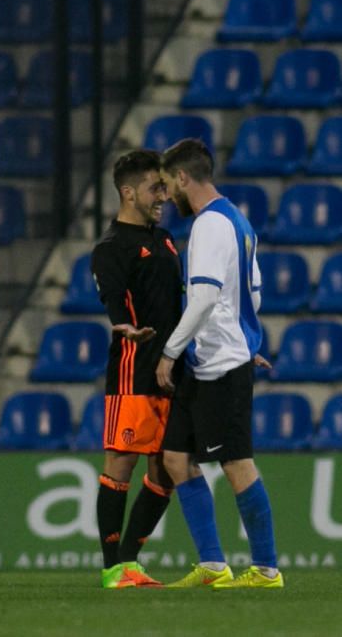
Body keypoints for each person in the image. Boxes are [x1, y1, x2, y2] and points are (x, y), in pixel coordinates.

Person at [155, 138, 283, 589]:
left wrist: (170, 351)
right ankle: (212, 565)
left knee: (236, 463)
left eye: (169, 183)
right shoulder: (237, 219)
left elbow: (207, 294)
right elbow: (255, 291)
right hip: (213, 357)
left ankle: (267, 569)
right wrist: (246, 338)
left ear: (184, 178)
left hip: (218, 364)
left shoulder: (209, 224)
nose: (167, 194)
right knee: (175, 457)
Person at [90, 150, 183, 589]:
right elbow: (112, 300)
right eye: (154, 187)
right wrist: (121, 325)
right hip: (133, 370)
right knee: (121, 463)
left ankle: (130, 562)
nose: (163, 195)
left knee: (166, 469)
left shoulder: (164, 239)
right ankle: (112, 568)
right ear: (128, 192)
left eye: (164, 186)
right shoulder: (111, 247)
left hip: (173, 370)